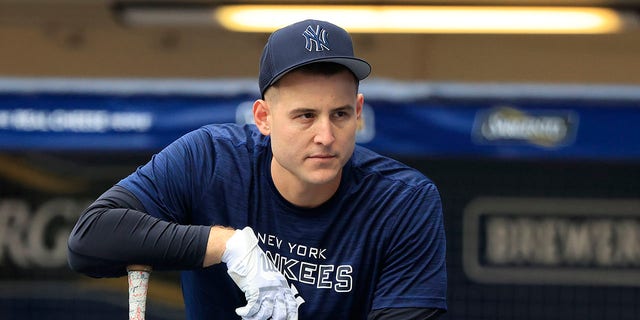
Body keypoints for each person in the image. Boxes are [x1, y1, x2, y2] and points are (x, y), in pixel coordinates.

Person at [67, 19, 447, 320]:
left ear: (359, 113)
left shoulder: (403, 200)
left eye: (341, 115)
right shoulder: (211, 158)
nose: (326, 136)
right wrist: (228, 246)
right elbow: (90, 240)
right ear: (263, 118)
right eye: (305, 116)